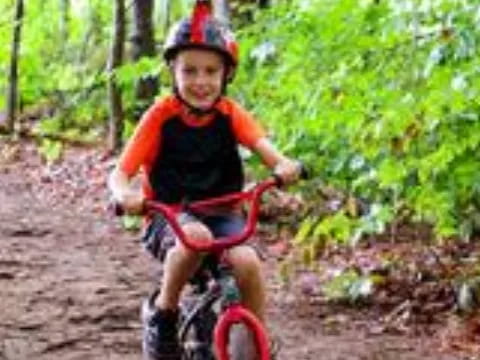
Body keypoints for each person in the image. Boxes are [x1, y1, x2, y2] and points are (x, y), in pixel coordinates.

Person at [108, 1, 301, 359]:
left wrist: (284, 166)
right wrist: (124, 193)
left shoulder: (230, 114)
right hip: (170, 216)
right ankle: (164, 315)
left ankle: (254, 344)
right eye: (190, 71)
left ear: (226, 75)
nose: (200, 81)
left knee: (247, 261)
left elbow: (263, 146)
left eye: (211, 71)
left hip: (223, 212)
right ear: (173, 72)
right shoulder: (160, 117)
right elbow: (120, 171)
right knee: (196, 237)